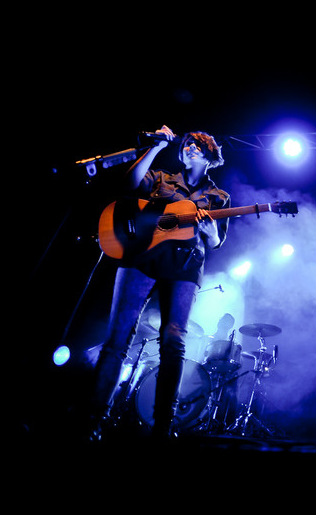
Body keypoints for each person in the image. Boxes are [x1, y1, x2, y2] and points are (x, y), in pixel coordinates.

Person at [88, 125, 230, 439]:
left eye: (195, 144)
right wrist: (154, 147)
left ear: (208, 153)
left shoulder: (218, 196)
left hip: (184, 266)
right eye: (186, 144)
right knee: (116, 341)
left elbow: (217, 241)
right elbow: (129, 185)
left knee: (174, 340)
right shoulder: (163, 177)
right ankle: (92, 422)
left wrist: (209, 233)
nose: (188, 147)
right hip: (141, 256)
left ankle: (162, 428)